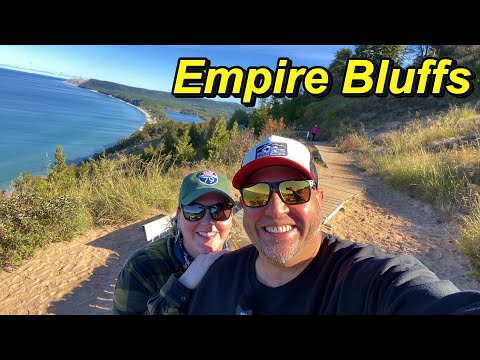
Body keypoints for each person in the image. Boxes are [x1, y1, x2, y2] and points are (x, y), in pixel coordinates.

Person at [188, 135, 480, 315]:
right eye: (256, 194)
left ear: (319, 199)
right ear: (243, 205)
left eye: (294, 191)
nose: (275, 209)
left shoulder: (368, 282)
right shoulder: (219, 275)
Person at [112, 169, 238, 315]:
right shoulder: (142, 268)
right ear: (178, 217)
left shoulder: (246, 259)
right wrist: (183, 285)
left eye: (220, 210)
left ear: (231, 218)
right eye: (195, 211)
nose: (208, 222)